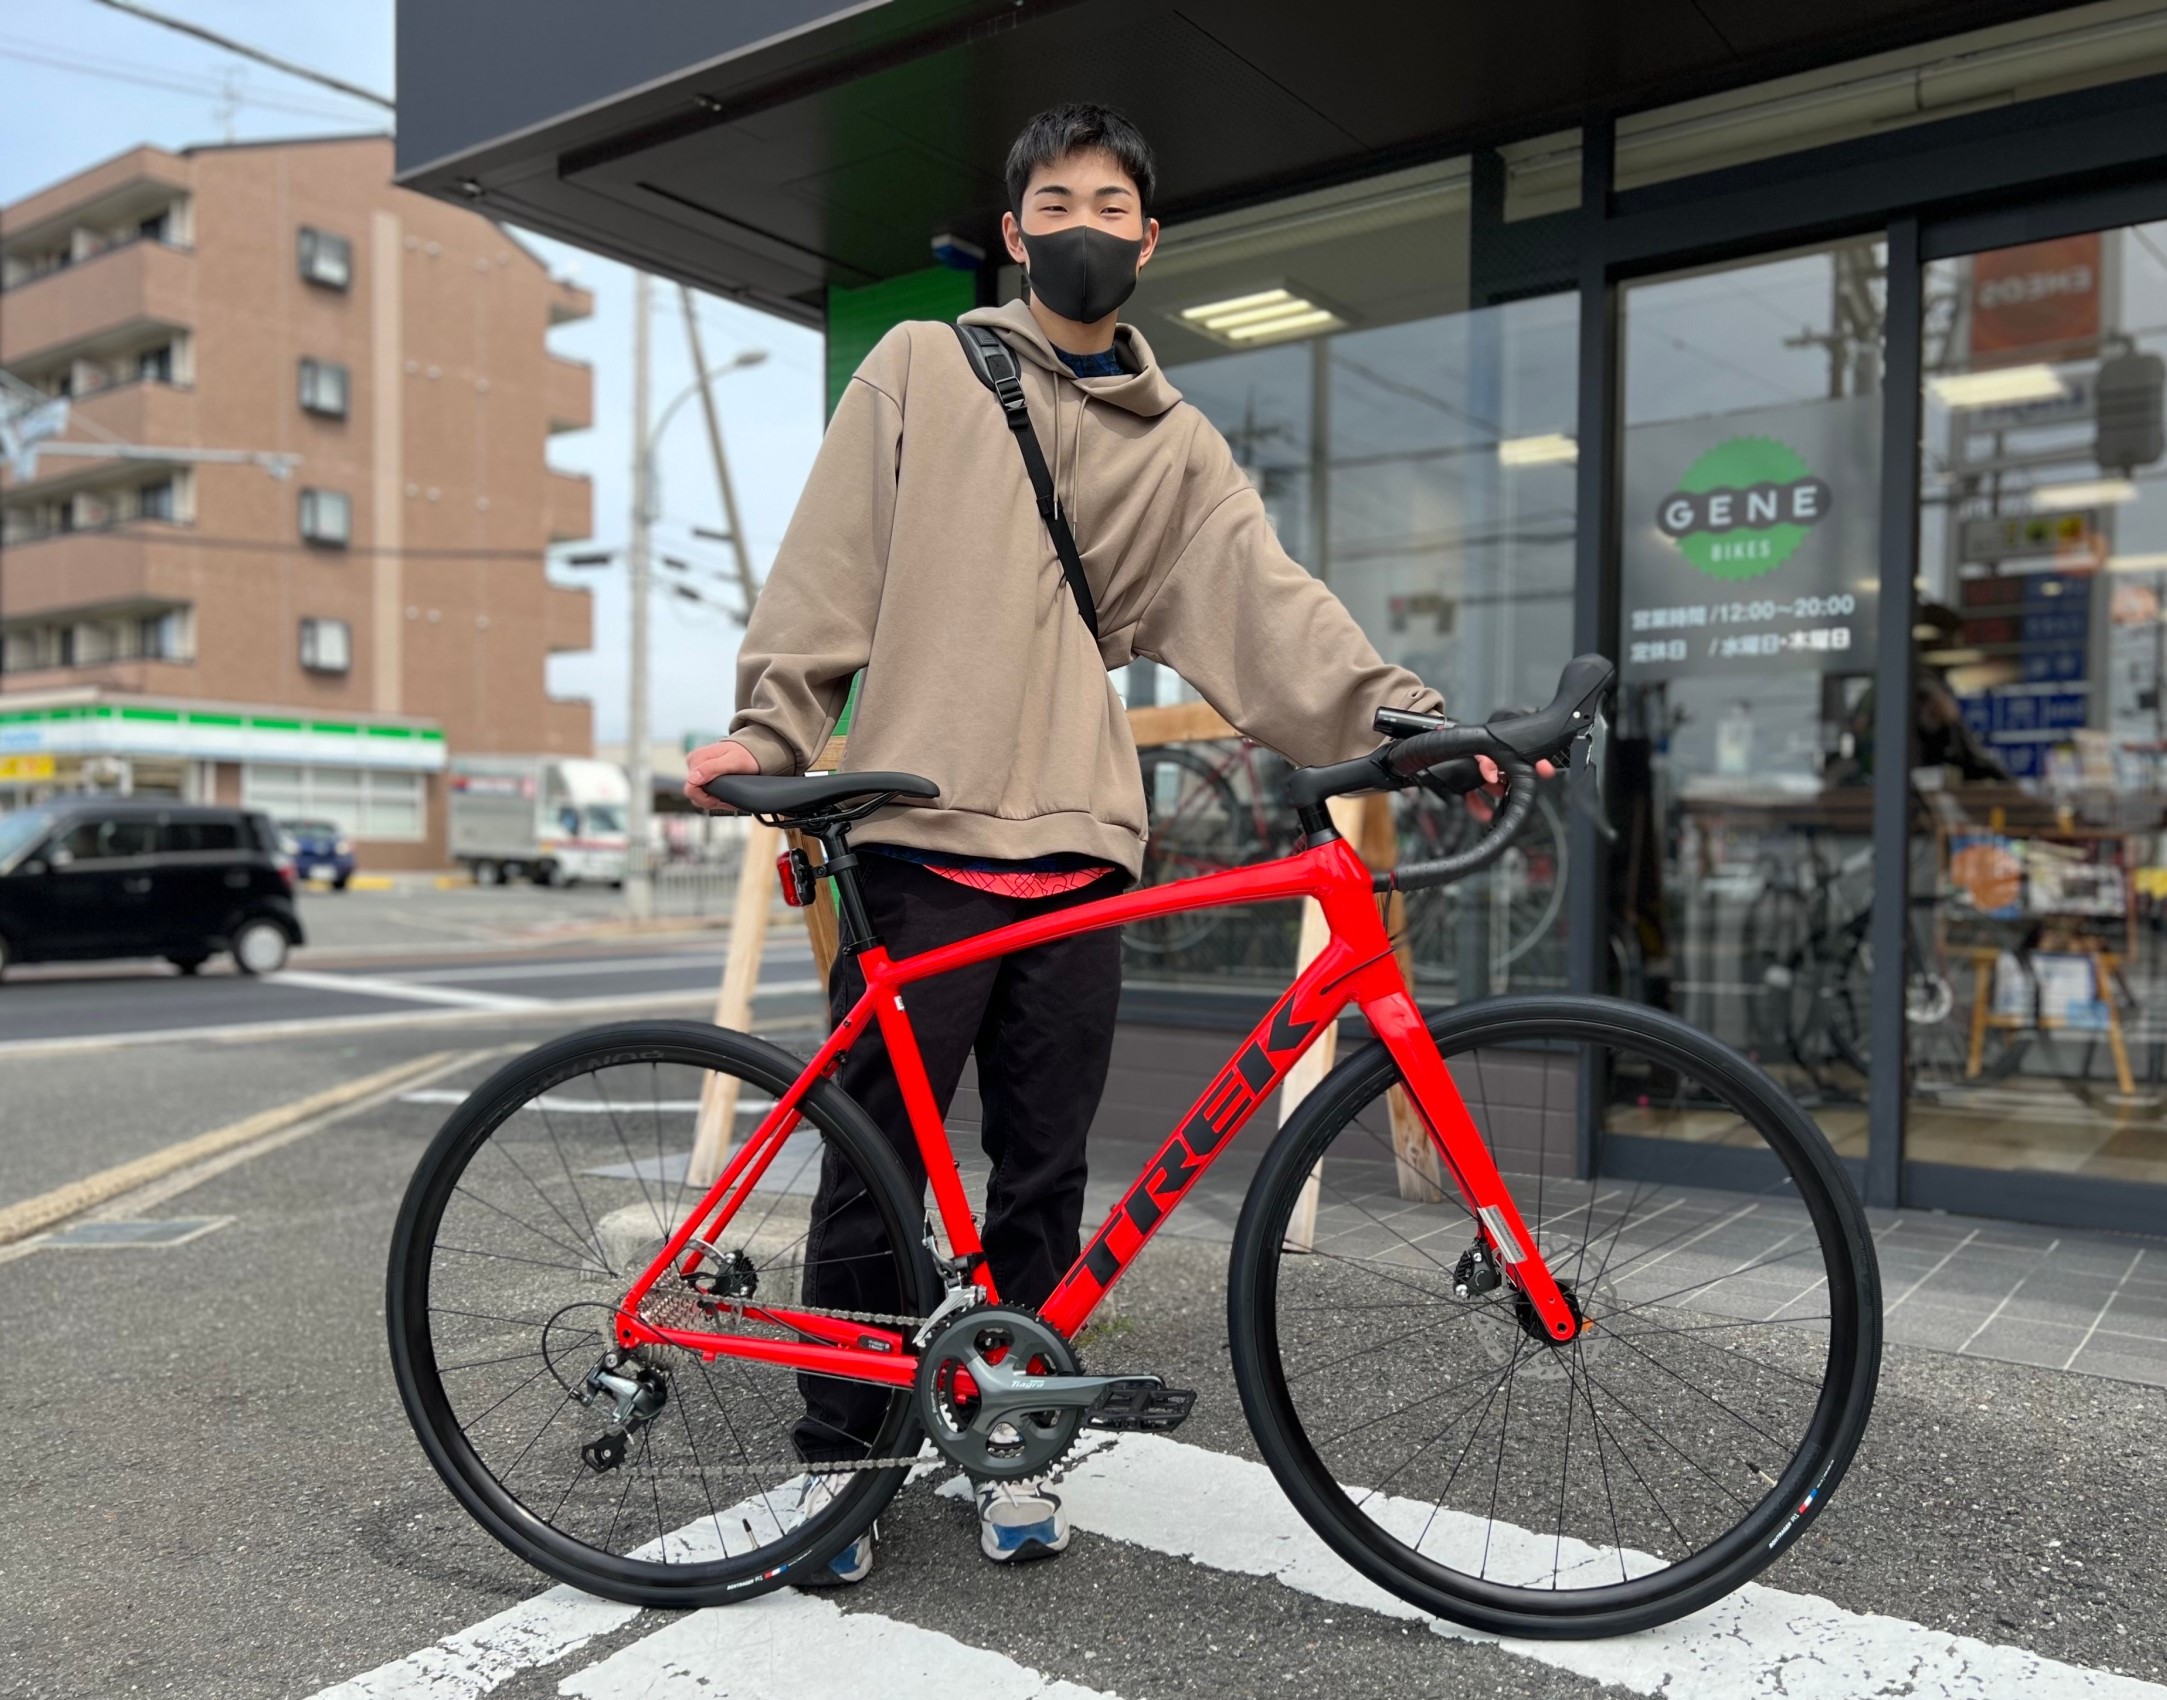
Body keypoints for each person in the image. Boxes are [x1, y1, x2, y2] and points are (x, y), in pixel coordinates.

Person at [685, 103, 1443, 1581]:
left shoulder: (1178, 446)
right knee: (875, 1167)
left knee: (1043, 1174)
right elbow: (829, 562)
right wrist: (773, 731)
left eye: (1109, 205)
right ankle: (842, 1461)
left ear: (1148, 242)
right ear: (1014, 231)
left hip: (1083, 844)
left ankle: (1008, 1435)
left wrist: (1401, 713)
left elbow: (1264, 602)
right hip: (916, 828)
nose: (1081, 225)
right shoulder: (922, 366)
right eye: (1054, 203)